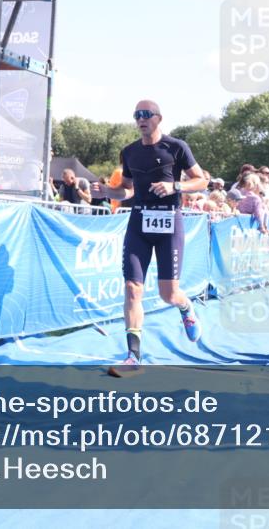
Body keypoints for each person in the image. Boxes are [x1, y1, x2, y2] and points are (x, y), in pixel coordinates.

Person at [90, 100, 208, 376]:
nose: (140, 119)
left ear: (158, 118)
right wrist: (106, 191)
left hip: (169, 223)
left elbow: (202, 181)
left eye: (146, 114)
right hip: (139, 223)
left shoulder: (176, 147)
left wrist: (174, 186)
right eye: (137, 115)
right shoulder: (129, 152)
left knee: (169, 294)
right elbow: (126, 190)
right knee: (132, 288)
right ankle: (133, 356)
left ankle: (185, 306)